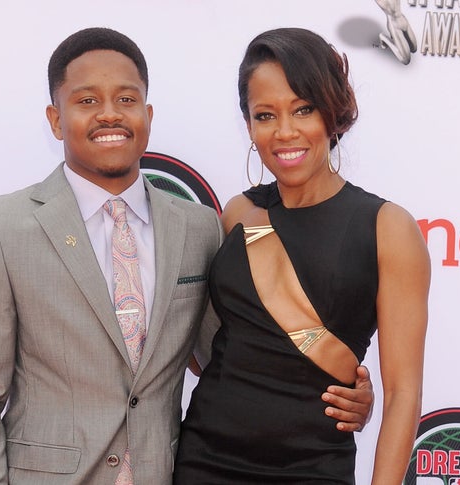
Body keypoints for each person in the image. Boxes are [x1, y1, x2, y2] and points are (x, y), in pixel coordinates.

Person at [0, 27, 374, 484]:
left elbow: (235, 354)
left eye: (126, 100)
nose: (110, 115)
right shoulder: (1, 227)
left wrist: (339, 392)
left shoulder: (199, 226)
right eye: (87, 101)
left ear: (147, 114)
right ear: (55, 119)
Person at [174, 27, 430, 484]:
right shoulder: (239, 213)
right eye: (265, 114)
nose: (285, 131)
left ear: (333, 112)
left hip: (314, 466)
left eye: (303, 109)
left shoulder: (388, 228)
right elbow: (207, 345)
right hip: (205, 459)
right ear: (249, 125)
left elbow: (405, 394)